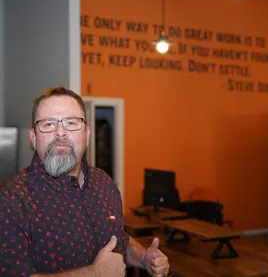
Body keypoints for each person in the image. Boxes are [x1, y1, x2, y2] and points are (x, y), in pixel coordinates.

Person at [0, 86, 170, 277]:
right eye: (48, 124)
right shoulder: (11, 200)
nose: (60, 132)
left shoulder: (104, 183)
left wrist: (142, 258)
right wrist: (95, 273)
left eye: (71, 123)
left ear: (87, 135)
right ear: (33, 137)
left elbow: (116, 237)